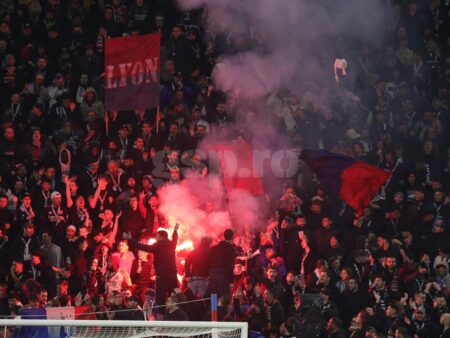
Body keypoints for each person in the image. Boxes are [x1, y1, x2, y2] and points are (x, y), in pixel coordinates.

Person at [123, 223, 179, 307]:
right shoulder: (172, 244)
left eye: (157, 236)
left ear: (161, 237)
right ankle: (178, 310)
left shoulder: (157, 246)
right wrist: (175, 230)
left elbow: (141, 246)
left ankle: (160, 315)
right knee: (175, 293)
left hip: (161, 276)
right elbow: (175, 238)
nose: (156, 238)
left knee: (160, 297)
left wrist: (130, 239)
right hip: (172, 275)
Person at [206, 229, 236, 298]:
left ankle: (213, 308)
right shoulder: (230, 249)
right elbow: (230, 265)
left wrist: (208, 274)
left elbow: (208, 262)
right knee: (223, 298)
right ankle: (221, 309)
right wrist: (231, 281)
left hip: (213, 275)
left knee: (213, 296)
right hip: (223, 276)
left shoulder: (214, 248)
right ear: (232, 237)